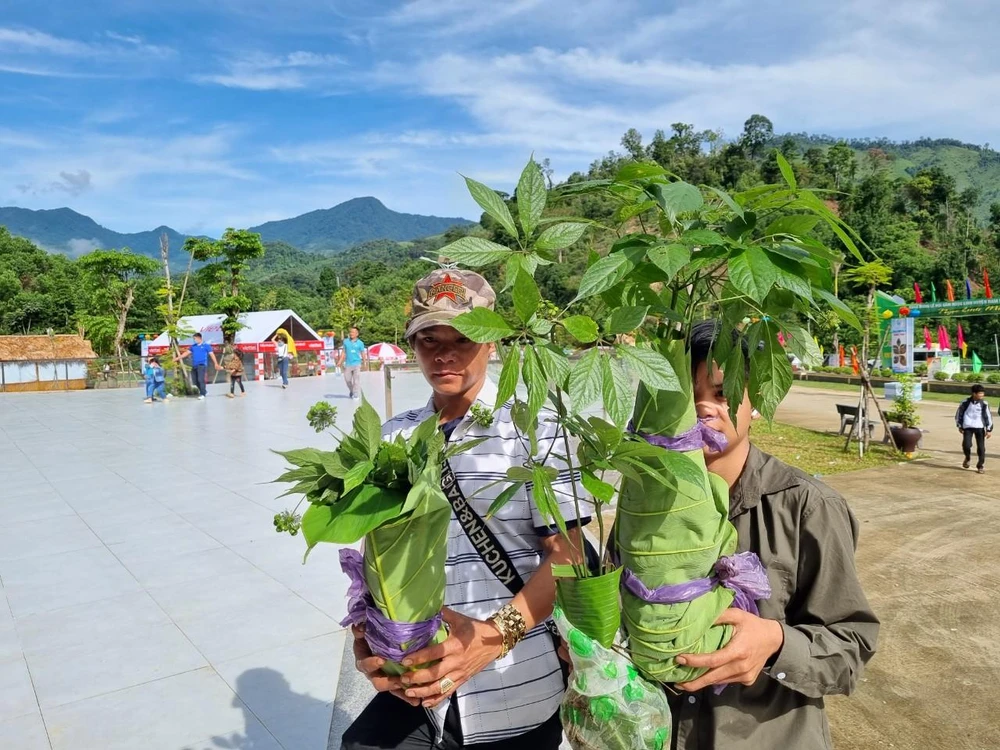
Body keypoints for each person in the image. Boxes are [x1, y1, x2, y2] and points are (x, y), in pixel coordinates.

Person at [342, 269, 590, 750]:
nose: (444, 354)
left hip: (515, 685)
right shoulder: (392, 437)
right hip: (417, 681)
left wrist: (492, 638)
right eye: (429, 339)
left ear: (491, 342)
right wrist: (368, 639)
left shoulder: (535, 430)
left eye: (463, 338)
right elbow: (377, 556)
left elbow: (569, 556)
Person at [649, 321, 879, 749]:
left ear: (754, 402)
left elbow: (852, 648)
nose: (703, 408)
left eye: (722, 393)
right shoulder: (648, 500)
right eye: (686, 395)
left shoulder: (808, 506)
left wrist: (776, 642)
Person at [956, 383, 993, 474]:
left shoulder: (984, 404)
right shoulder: (965, 402)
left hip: (979, 427)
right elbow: (959, 414)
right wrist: (960, 425)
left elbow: (988, 417)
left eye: (983, 393)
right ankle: (967, 458)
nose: (982, 395)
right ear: (974, 393)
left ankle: (980, 466)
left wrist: (989, 429)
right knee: (966, 445)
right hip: (967, 427)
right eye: (980, 393)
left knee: (981, 447)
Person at [174, 332, 220, 400]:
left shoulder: (206, 346)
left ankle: (202, 394)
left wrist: (216, 363)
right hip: (194, 365)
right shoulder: (193, 346)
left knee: (201, 379)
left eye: (195, 338)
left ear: (199, 338)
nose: (194, 340)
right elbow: (186, 353)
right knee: (195, 381)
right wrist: (177, 358)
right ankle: (204, 391)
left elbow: (212, 355)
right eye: (194, 339)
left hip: (202, 365)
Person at [340, 326, 367, 399]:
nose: (351, 333)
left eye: (353, 332)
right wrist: (340, 361)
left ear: (357, 334)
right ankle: (352, 391)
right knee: (347, 380)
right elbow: (343, 352)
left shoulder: (360, 343)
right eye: (350, 332)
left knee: (356, 380)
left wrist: (364, 362)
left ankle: (355, 394)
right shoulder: (346, 342)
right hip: (348, 364)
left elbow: (362, 353)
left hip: (357, 364)